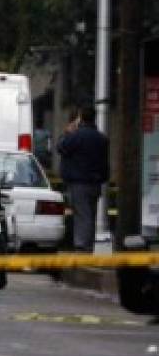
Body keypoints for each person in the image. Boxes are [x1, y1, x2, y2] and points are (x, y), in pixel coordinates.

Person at [57, 104, 109, 252]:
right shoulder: (101, 138)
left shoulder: (76, 136)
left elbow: (61, 147)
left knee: (82, 215)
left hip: (79, 183)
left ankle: (82, 247)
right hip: (96, 183)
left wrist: (67, 133)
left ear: (80, 118)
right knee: (90, 215)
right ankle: (88, 245)